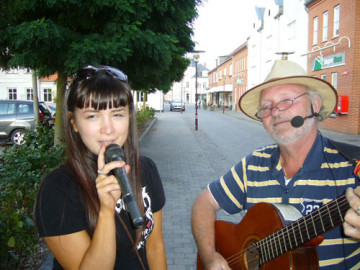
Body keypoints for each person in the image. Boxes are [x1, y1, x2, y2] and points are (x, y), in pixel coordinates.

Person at [191, 58, 360, 269]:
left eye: (286, 101)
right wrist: (209, 256)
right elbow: (203, 203)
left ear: (314, 105)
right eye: (266, 107)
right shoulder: (252, 166)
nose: (275, 112)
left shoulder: (353, 168)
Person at [35, 65, 167, 269]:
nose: (108, 129)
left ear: (129, 117)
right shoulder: (57, 190)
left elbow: (155, 246)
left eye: (117, 114)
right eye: (92, 116)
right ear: (74, 123)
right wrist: (106, 212)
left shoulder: (146, 169)